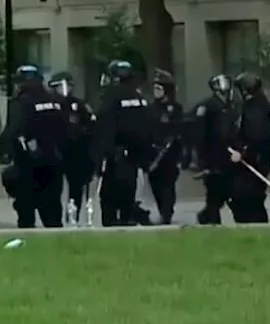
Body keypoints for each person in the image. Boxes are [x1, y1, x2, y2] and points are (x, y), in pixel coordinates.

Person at [0, 65, 68, 228]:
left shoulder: (22, 102)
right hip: (55, 161)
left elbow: (11, 131)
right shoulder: (56, 100)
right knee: (52, 209)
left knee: (26, 210)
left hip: (29, 163)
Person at [92, 59, 154, 226]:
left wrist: (100, 158)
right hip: (134, 157)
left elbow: (104, 129)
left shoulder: (110, 98)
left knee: (108, 198)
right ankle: (127, 220)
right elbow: (147, 128)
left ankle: (111, 224)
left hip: (114, 158)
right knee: (129, 195)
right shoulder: (140, 98)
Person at [227, 72, 270, 223]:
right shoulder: (264, 106)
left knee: (243, 198)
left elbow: (256, 136)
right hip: (261, 159)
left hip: (252, 162)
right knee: (253, 197)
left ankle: (253, 226)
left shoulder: (254, 110)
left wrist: (242, 152)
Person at [47, 72, 96, 225]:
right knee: (53, 189)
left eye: (67, 86)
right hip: (54, 152)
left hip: (75, 153)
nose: (65, 89)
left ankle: (72, 216)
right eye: (61, 86)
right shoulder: (48, 105)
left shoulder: (79, 105)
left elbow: (91, 126)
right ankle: (55, 219)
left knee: (76, 187)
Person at [188, 74, 237, 225]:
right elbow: (199, 133)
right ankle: (212, 221)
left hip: (226, 157)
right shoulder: (207, 106)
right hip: (212, 157)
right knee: (214, 193)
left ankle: (206, 216)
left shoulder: (230, 106)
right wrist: (201, 160)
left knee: (222, 193)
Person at [146, 69, 184, 224]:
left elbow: (178, 131)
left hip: (169, 154)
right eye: (154, 88)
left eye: (159, 88)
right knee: (155, 185)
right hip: (153, 153)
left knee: (167, 185)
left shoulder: (175, 109)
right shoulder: (150, 108)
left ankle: (167, 214)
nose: (156, 92)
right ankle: (162, 210)